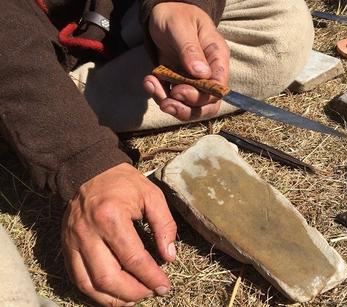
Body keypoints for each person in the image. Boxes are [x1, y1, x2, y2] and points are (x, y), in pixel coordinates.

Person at [0, 0, 313, 306]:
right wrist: (85, 160)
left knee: (282, 27)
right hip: (13, 31)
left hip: (111, 17)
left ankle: (47, 105)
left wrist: (179, 8)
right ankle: (38, 107)